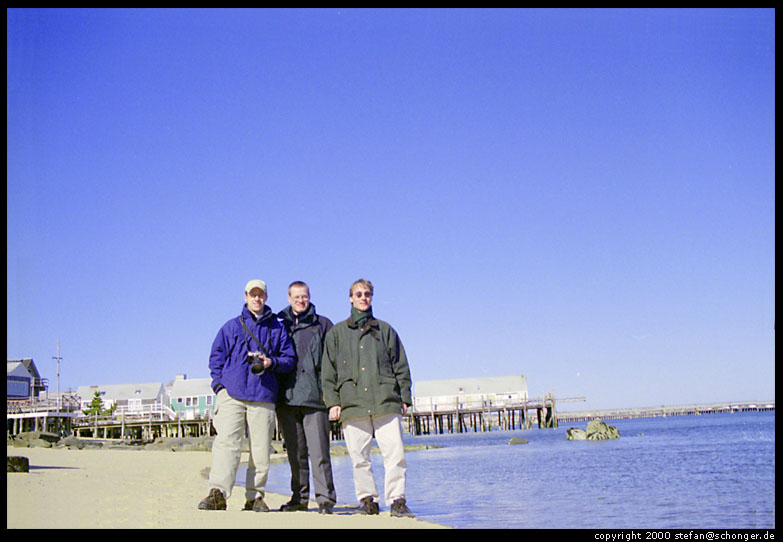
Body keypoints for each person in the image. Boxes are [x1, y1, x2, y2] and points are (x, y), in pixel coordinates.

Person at [198, 279, 296, 512]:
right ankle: (218, 493)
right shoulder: (231, 327)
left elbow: (289, 360)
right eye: (253, 295)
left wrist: (271, 362)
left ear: (266, 297)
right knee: (226, 444)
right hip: (232, 394)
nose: (257, 299)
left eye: (260, 295)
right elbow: (216, 357)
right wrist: (219, 386)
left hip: (263, 395)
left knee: (261, 449)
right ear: (245, 297)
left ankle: (255, 496)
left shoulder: (277, 328)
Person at [321, 278, 415, 518]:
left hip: (386, 401)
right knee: (359, 458)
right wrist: (333, 402)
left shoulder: (385, 330)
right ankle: (367, 501)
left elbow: (401, 366)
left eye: (368, 294)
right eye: (359, 294)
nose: (364, 298)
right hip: (352, 404)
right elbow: (328, 372)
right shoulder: (337, 334)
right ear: (350, 298)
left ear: (372, 297)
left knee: (395, 455)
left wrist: (404, 397)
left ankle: (397, 500)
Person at [276, 281, 338, 514]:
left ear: (309, 297)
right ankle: (299, 499)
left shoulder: (323, 324)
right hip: (287, 401)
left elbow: (332, 363)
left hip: (316, 400)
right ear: (289, 298)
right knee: (295, 453)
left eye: (305, 297)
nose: (301, 301)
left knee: (320, 453)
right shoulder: (280, 327)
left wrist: (331, 396)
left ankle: (325, 499)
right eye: (296, 297)